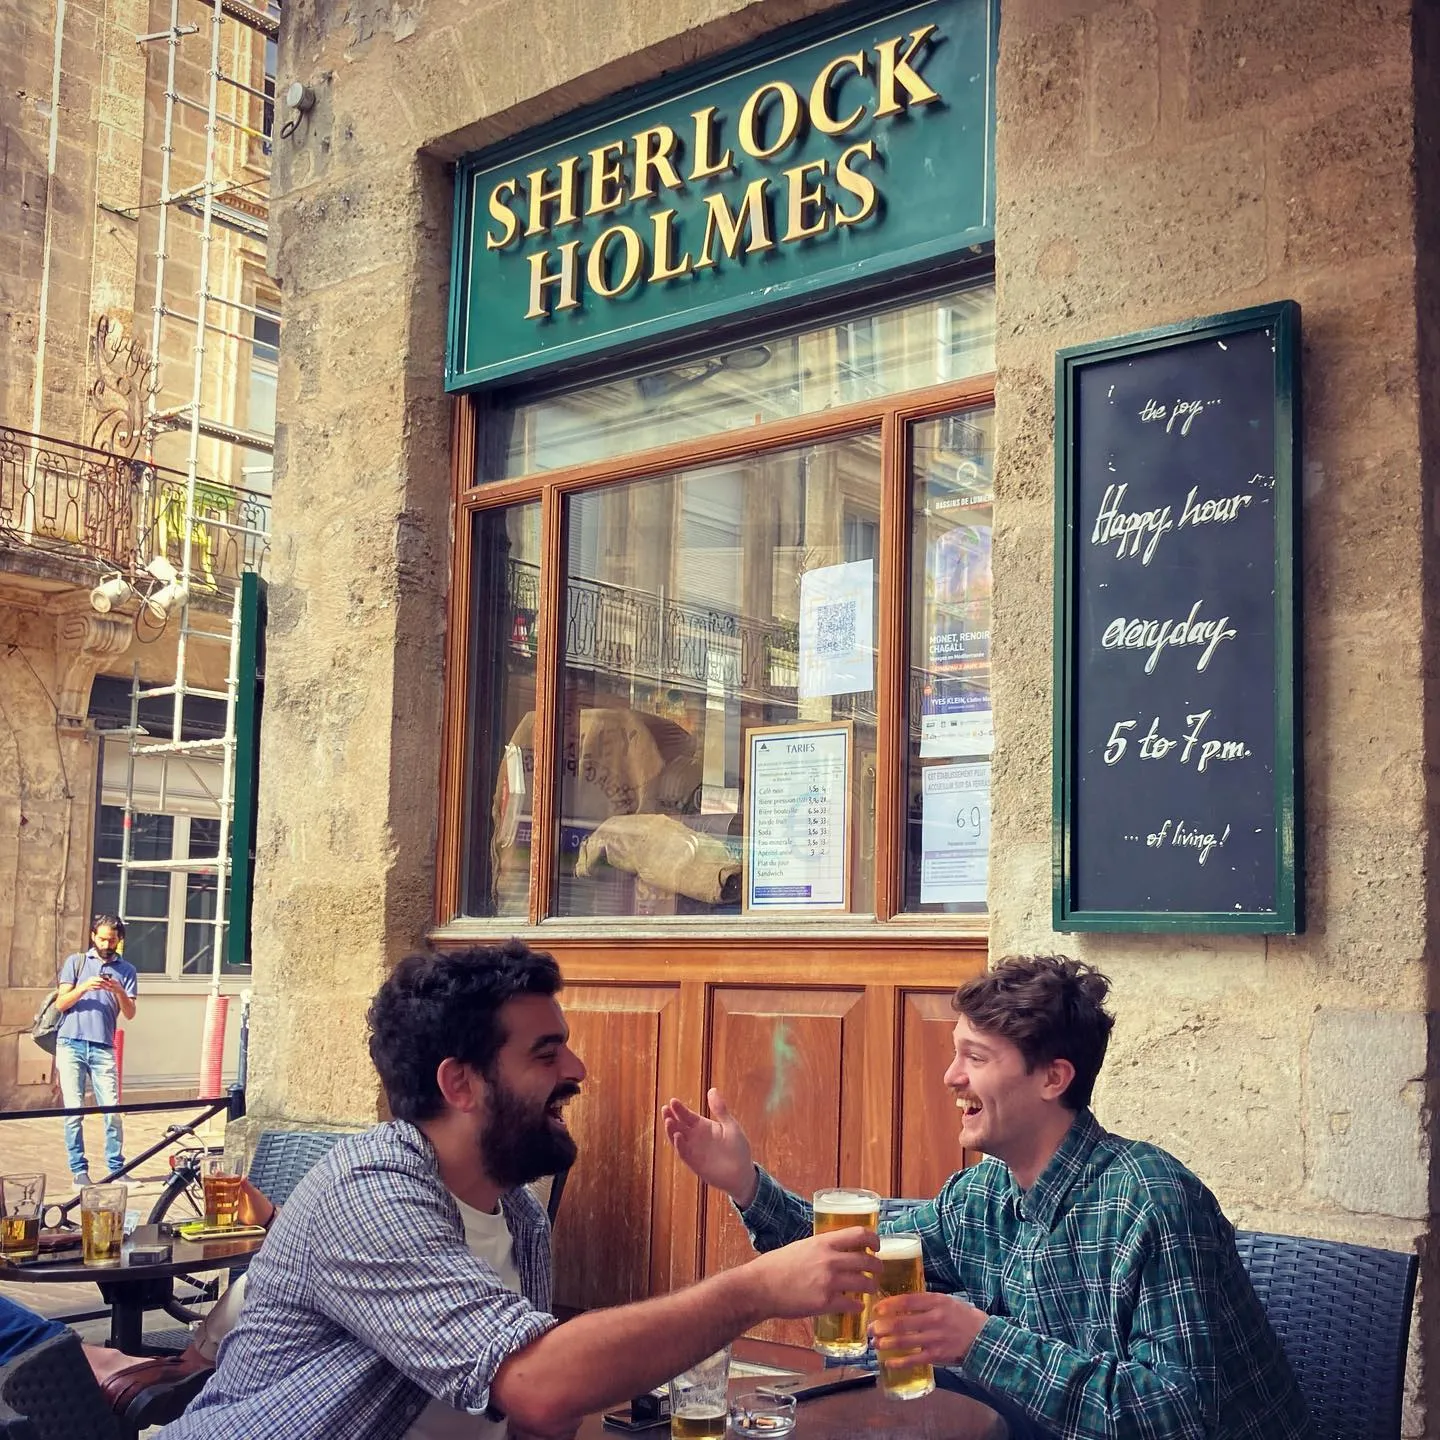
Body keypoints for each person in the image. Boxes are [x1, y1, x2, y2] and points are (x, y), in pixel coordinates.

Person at [160, 942, 877, 1440]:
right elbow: (537, 1383)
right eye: (546, 1052)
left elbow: (536, 1411)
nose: (579, 1067)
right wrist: (751, 1291)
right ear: (461, 1083)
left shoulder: (519, 1214)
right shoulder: (370, 1189)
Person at [663, 955, 1313, 1440]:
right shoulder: (982, 1196)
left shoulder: (1156, 1205)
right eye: (955, 1054)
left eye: (974, 1057)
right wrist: (744, 1182)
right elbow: (851, 1254)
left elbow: (1178, 1417)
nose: (951, 1077)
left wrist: (978, 1341)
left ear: (1053, 1077)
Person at [54, 914, 138, 1186]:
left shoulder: (127, 970)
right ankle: (79, 1171)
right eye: (102, 938)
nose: (107, 944)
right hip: (70, 1043)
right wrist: (84, 987)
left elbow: (130, 1013)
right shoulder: (76, 962)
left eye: (112, 939)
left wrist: (119, 992)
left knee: (112, 1110)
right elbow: (61, 1004)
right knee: (74, 1110)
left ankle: (116, 1169)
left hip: (103, 1045)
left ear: (119, 940)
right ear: (93, 936)